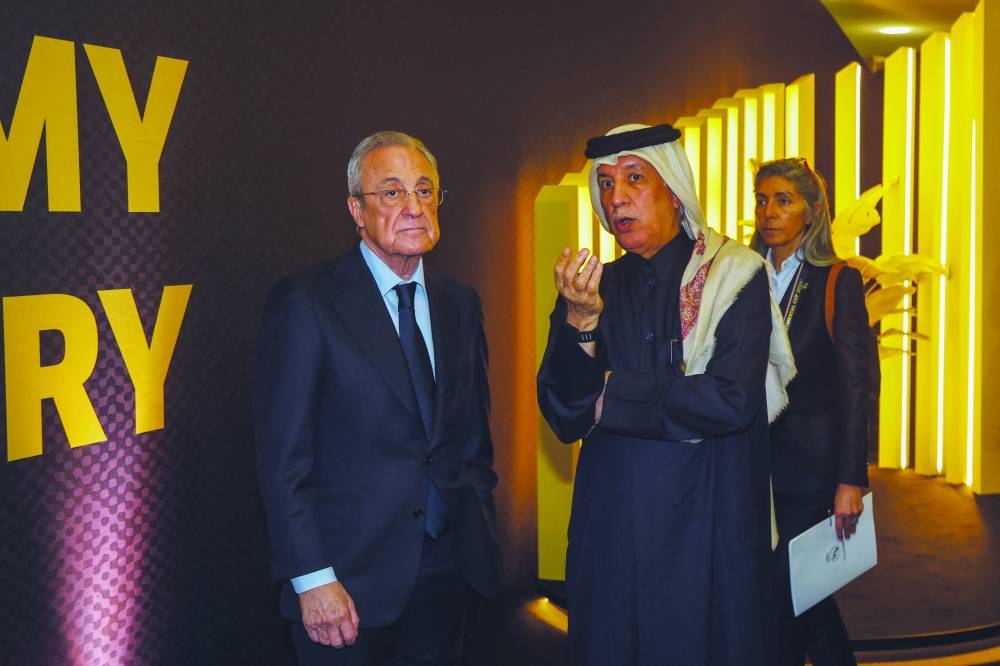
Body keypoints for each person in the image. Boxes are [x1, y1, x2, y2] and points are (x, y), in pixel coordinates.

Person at [537, 123, 796, 665]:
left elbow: (729, 400)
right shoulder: (594, 289)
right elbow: (564, 412)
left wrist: (616, 399)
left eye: (635, 179)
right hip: (615, 521)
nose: (617, 197)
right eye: (606, 185)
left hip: (707, 516)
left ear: (674, 191)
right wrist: (581, 324)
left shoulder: (734, 277)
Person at [254, 130, 503, 665]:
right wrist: (313, 579)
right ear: (356, 210)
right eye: (391, 193)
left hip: (449, 576)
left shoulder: (460, 303)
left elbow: (473, 441)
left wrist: (477, 535)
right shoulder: (307, 303)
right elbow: (282, 461)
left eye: (425, 190)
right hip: (346, 586)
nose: (413, 206)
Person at [751, 157, 871, 666]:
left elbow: (856, 387)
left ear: (813, 210)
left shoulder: (836, 280)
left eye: (784, 200)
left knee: (795, 592)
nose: (770, 212)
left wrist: (850, 479)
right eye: (761, 200)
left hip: (812, 469)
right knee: (799, 596)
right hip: (753, 463)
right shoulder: (744, 277)